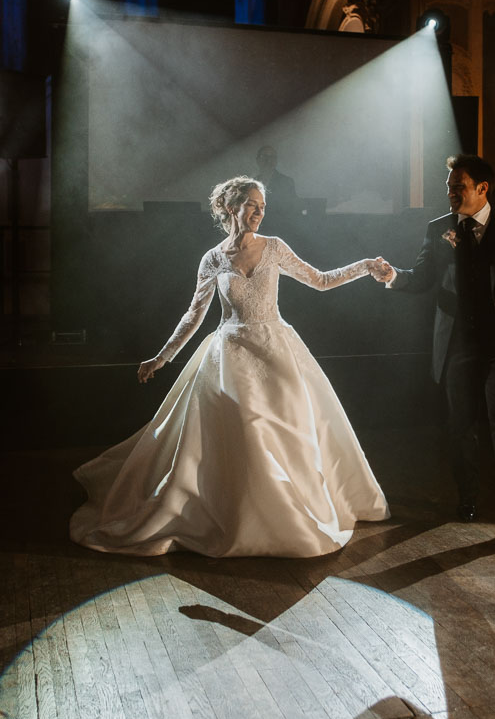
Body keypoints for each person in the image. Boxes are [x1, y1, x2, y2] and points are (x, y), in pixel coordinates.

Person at [71, 176, 390, 557]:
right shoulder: (213, 258)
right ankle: (238, 516)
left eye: (262, 206)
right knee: (244, 428)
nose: (259, 212)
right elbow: (194, 315)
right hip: (232, 353)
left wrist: (365, 266)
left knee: (293, 427)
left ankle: (297, 511)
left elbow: (319, 280)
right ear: (230, 207)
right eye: (252, 205)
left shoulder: (274, 247)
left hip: (276, 348)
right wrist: (162, 357)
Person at [376, 154, 495, 528]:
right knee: (461, 425)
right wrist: (394, 276)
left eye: (459, 187)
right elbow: (420, 277)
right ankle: (467, 500)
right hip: (458, 345)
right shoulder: (439, 228)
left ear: (483, 189)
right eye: (449, 187)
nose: (451, 193)